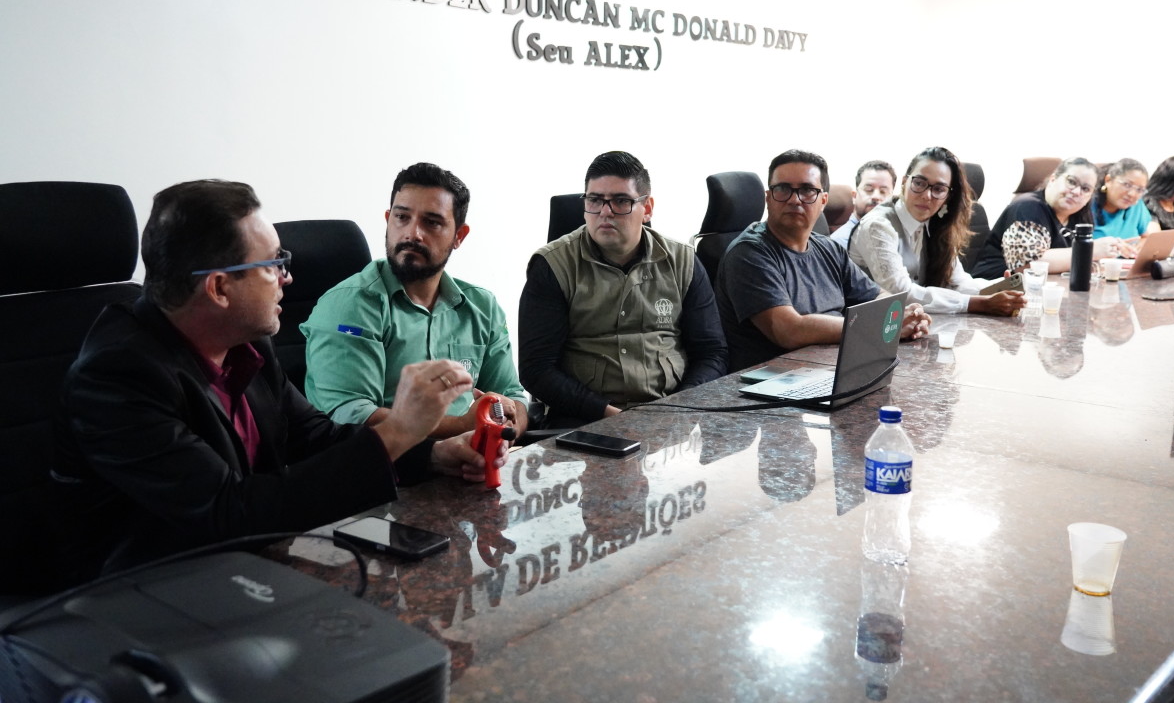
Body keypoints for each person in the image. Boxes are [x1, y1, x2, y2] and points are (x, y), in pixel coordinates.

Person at [52, 180, 505, 584]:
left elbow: (314, 438)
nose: (287, 278)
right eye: (273, 264)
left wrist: (429, 455)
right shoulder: (118, 376)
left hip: (243, 567)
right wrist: (399, 430)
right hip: (135, 594)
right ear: (219, 288)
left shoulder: (245, 343)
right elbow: (229, 513)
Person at [302, 163, 528, 438]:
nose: (413, 233)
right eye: (402, 217)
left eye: (431, 222)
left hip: (473, 454)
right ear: (388, 219)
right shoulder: (351, 304)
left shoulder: (482, 307)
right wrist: (464, 426)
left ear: (459, 236)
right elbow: (353, 415)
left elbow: (513, 395)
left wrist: (507, 425)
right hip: (382, 461)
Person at [518, 151, 728, 425]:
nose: (605, 212)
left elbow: (712, 352)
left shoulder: (683, 261)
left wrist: (679, 408)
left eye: (620, 201)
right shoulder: (553, 266)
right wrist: (613, 417)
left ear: (647, 208)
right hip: (585, 420)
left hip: (672, 417)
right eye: (595, 200)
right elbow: (536, 370)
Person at [715, 149, 930, 370]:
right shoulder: (749, 253)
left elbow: (879, 297)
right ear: (768, 198)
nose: (794, 199)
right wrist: (878, 327)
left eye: (807, 190)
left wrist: (904, 317)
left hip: (831, 367)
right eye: (783, 189)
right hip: (771, 379)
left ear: (823, 200)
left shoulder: (829, 248)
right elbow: (788, 330)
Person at [848, 147, 1025, 316]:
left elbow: (958, 282)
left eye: (938, 189)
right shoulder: (878, 225)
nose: (927, 195)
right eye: (919, 183)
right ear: (904, 182)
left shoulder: (936, 223)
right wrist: (979, 303)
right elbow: (901, 293)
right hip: (868, 325)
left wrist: (999, 288)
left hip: (916, 323)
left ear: (947, 196)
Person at [972, 157, 1132, 279]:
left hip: (1048, 291)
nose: (1077, 192)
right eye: (1071, 182)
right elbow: (1026, 264)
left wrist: (1109, 250)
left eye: (1085, 189)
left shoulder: (1080, 216)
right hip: (995, 291)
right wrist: (1090, 251)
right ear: (1053, 179)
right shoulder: (1027, 206)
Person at [830, 160, 897, 248]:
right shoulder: (838, 244)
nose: (876, 196)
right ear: (854, 196)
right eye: (869, 190)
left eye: (883, 191)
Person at [1092, 158, 1154, 243]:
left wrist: (1137, 248)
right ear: (1108, 180)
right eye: (1127, 185)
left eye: (1139, 190)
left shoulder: (1136, 206)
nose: (1132, 194)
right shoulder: (1086, 206)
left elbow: (1145, 237)